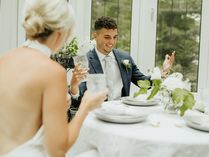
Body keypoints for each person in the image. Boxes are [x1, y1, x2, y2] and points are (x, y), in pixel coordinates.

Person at [0, 0, 107, 156]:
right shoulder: (52, 72)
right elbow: (57, 150)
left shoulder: (5, 59)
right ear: (61, 33)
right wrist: (85, 106)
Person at [69, 16, 175, 108]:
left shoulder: (125, 57)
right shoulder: (85, 60)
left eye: (115, 37)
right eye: (107, 37)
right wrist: (74, 85)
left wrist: (162, 72)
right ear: (95, 35)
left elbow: (144, 83)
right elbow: (79, 98)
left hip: (122, 113)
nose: (112, 42)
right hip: (97, 114)